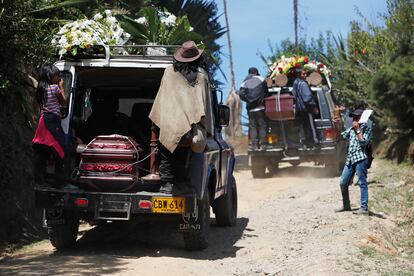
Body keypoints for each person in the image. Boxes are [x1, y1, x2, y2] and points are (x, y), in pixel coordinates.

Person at [149, 41, 213, 194]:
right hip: (191, 126)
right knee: (186, 156)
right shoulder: (201, 76)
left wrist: (158, 124)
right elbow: (204, 104)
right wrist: (205, 127)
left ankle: (166, 184)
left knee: (166, 153)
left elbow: (162, 99)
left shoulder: (169, 72)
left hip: (169, 121)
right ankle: (182, 184)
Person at [32, 64, 68, 188]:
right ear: (50, 76)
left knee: (41, 150)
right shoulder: (54, 88)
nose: (58, 77)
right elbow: (64, 102)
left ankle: (40, 180)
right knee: (60, 148)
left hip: (43, 120)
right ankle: (59, 181)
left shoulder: (41, 89)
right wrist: (62, 87)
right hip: (52, 120)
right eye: (56, 75)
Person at [335, 106, 373, 215]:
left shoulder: (367, 129)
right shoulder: (350, 129)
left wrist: (358, 130)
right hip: (351, 159)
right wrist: (336, 125)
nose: (353, 119)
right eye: (353, 117)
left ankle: (364, 208)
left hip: (361, 159)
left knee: (362, 183)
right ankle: (346, 205)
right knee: (343, 182)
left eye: (356, 117)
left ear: (361, 118)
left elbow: (363, 142)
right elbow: (340, 137)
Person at [239, 67, 269, 150]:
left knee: (253, 126)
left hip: (251, 108)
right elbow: (266, 92)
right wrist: (261, 99)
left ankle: (254, 145)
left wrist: (248, 100)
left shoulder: (245, 81)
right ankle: (263, 144)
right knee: (262, 125)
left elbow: (241, 94)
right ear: (256, 72)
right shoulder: (262, 79)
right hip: (260, 107)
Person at [292, 68, 319, 148]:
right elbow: (307, 98)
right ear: (299, 75)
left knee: (302, 126)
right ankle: (314, 142)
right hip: (306, 109)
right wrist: (314, 106)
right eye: (303, 74)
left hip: (299, 109)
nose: (305, 75)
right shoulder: (303, 84)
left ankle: (304, 142)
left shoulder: (295, 83)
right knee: (310, 126)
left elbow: (294, 94)